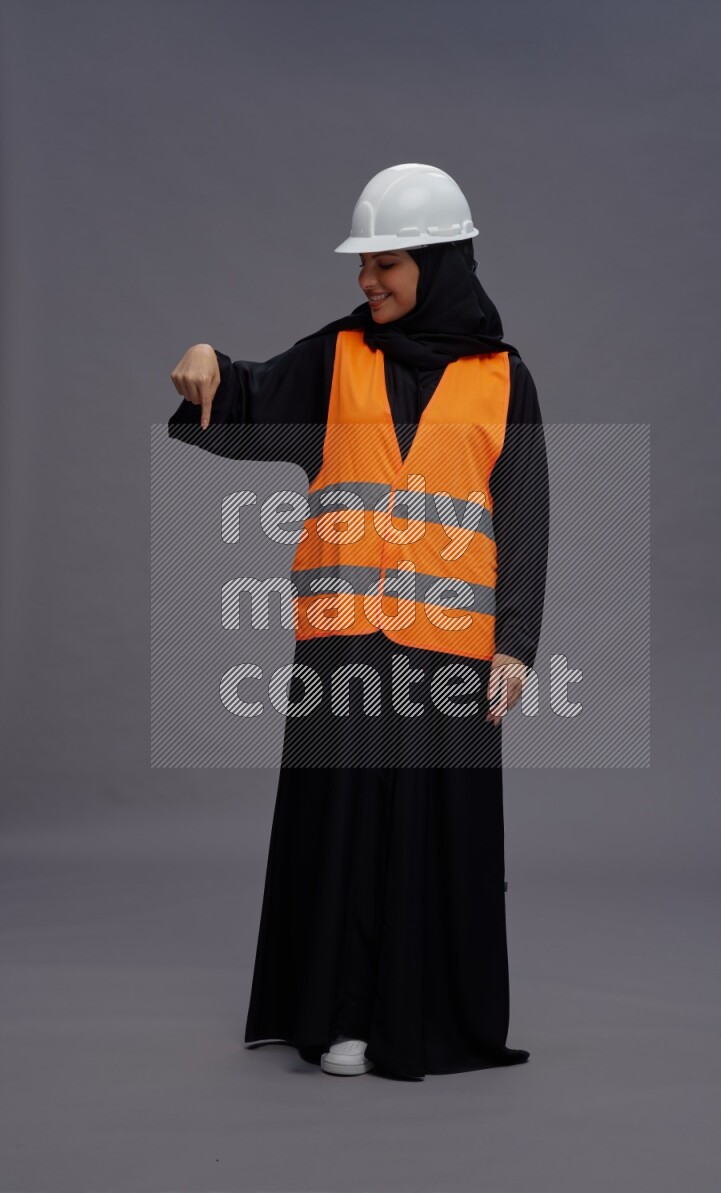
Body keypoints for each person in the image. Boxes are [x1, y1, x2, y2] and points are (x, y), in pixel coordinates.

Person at [167, 163, 550, 1080]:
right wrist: (206, 370)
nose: (369, 282)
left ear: (441, 263)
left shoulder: (506, 380)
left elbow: (525, 509)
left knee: (431, 830)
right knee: (343, 825)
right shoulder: (337, 357)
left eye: (389, 264)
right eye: (364, 265)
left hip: (452, 652)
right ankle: (339, 1015)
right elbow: (247, 400)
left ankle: (419, 1021)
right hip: (344, 640)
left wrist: (518, 642)